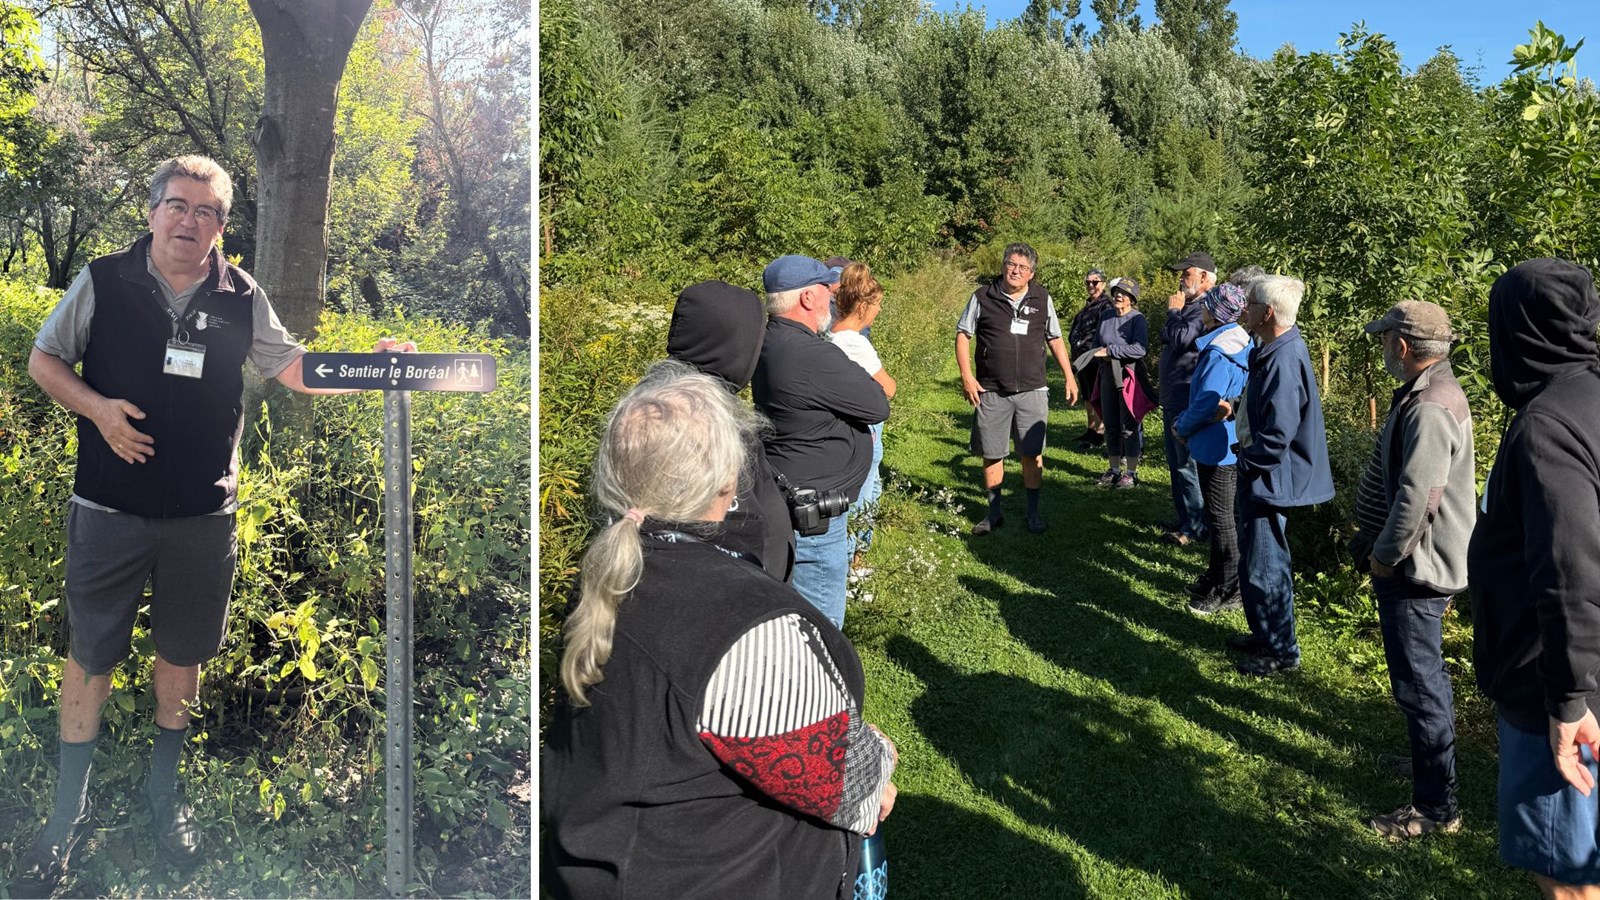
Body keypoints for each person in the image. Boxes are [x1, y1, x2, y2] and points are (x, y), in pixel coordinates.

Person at [15, 155, 413, 894]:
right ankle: (65, 816)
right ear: (152, 211)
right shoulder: (103, 281)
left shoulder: (240, 294)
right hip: (108, 510)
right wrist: (98, 411)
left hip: (203, 516)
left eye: (207, 212)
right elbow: (45, 360)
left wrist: (376, 366)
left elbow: (293, 367)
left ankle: (165, 797)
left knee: (183, 655)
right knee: (91, 657)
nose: (189, 220)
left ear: (222, 226)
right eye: (178, 204)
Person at [541, 361, 897, 899]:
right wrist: (881, 751)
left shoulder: (612, 572)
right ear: (728, 477)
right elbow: (854, 785)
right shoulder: (747, 625)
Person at [1470, 258, 1600, 897]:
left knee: (1565, 871)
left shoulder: (1546, 426)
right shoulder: (1591, 398)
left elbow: (1570, 570)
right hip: (1585, 668)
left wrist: (1568, 700)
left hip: (1555, 682)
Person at [1350, 300, 1474, 840]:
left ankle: (1436, 809)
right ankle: (1428, 763)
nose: (1382, 347)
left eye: (1385, 339)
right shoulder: (1428, 390)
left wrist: (1385, 555)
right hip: (1416, 563)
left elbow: (1418, 499)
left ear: (1402, 346)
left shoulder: (1430, 406)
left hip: (1415, 568)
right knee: (1424, 678)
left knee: (1420, 684)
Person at [753, 255, 889, 628]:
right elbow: (877, 403)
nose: (832, 301)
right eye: (826, 293)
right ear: (807, 298)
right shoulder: (813, 354)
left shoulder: (767, 340)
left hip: (788, 493)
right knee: (821, 625)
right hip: (815, 515)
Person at [1229, 274, 1334, 677]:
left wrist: (1247, 463)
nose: (1245, 308)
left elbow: (1278, 433)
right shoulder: (1273, 348)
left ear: (1268, 312)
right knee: (1256, 558)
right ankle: (1264, 634)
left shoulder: (1283, 358)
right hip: (1264, 473)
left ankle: (1281, 650)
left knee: (1267, 564)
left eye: (1251, 303)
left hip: (1271, 479)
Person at [666, 279, 795, 582]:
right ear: (738, 345)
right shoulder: (707, 425)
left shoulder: (651, 405)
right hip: (739, 592)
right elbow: (732, 533)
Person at [955, 242, 1079, 534]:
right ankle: (993, 513)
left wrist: (1069, 375)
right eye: (1011, 264)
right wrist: (967, 376)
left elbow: (1055, 338)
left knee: (1032, 453)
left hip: (1032, 390)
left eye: (1023, 267)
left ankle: (1033, 513)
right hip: (991, 389)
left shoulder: (1042, 298)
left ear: (1031, 273)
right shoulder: (982, 297)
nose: (1015, 271)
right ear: (1003, 266)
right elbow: (963, 335)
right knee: (992, 452)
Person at [1171, 283, 1250, 615]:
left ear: (1215, 313)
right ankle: (1216, 577)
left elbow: (1208, 402)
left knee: (1221, 519)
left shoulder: (1219, 353)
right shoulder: (1240, 342)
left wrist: (1181, 426)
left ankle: (1230, 588)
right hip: (1227, 441)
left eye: (1206, 305)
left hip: (1216, 445)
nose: (1201, 308)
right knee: (1221, 516)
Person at [830, 263, 895, 578]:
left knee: (870, 488)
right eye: (877, 304)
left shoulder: (827, 335)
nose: (879, 311)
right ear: (863, 307)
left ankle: (854, 560)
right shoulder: (855, 344)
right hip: (864, 429)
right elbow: (889, 387)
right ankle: (851, 565)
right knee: (862, 496)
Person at [1159, 251, 1218, 546]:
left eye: (1186, 274)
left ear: (1204, 277)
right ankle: (1185, 519)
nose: (1181, 279)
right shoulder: (1190, 307)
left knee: (1186, 464)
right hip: (1173, 396)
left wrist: (1174, 313)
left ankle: (1195, 527)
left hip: (1186, 396)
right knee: (1175, 463)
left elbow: (1181, 339)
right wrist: (1175, 320)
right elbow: (1165, 335)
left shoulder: (1204, 307)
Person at [1090, 277, 1153, 489]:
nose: (1118, 295)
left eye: (1124, 293)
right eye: (1117, 291)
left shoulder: (1137, 319)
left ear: (1132, 298)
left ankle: (1131, 473)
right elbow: (1096, 343)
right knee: (1110, 423)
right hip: (1107, 373)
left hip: (1128, 375)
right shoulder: (1106, 316)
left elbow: (1140, 349)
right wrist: (1098, 353)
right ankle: (1114, 469)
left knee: (1129, 424)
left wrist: (1111, 351)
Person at [1068, 268, 1112, 448]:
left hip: (1094, 357)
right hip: (1082, 357)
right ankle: (1091, 429)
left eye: (1095, 282)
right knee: (1087, 396)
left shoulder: (1106, 305)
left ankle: (1099, 434)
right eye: (1088, 282)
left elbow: (1105, 332)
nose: (1091, 285)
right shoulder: (1088, 304)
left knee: (1096, 396)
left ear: (1103, 283)